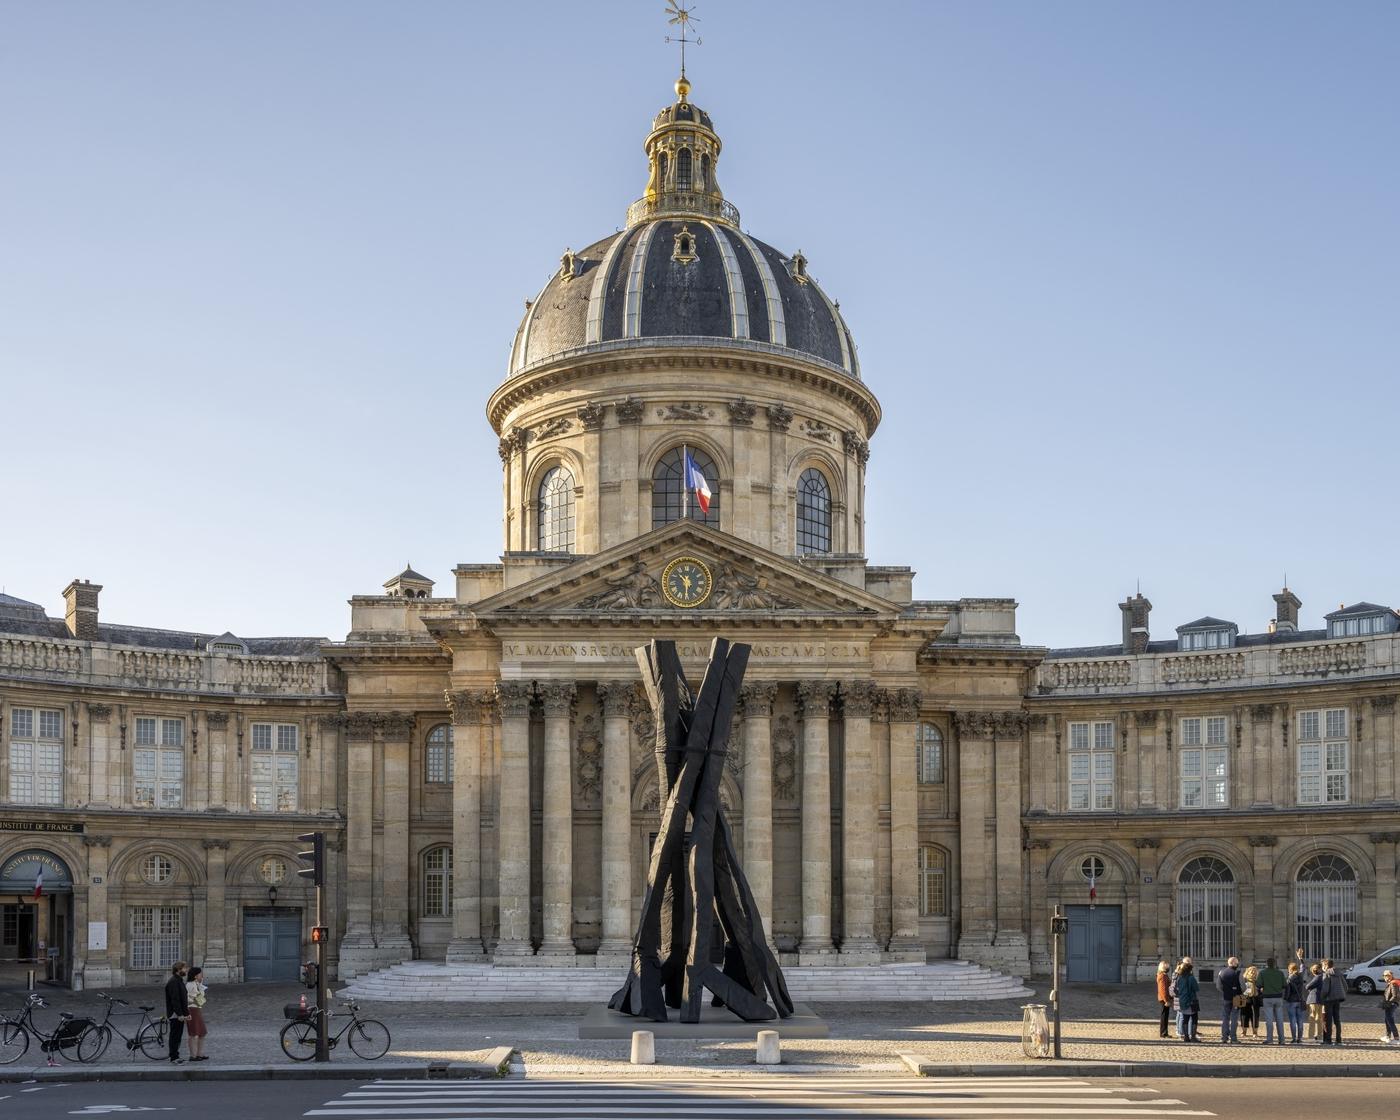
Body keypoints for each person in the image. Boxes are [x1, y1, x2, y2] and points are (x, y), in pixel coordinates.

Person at [164, 961, 190, 1063]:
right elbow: (175, 1000)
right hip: (175, 1014)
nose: (186, 970)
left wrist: (186, 1014)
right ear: (178, 969)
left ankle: (176, 1055)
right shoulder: (174, 982)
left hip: (179, 1013)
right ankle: (174, 1057)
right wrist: (179, 1014)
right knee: (175, 1036)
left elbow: (183, 999)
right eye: (184, 968)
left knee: (178, 1036)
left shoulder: (179, 980)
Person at [1258, 957, 1286, 1045]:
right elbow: (1285, 985)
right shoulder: (1280, 973)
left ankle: (1270, 1039)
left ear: (1266, 964)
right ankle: (1282, 1040)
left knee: (1269, 1020)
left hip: (1267, 998)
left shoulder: (1262, 973)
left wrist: (1263, 988)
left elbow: (1258, 984)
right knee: (1280, 1020)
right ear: (1275, 964)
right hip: (1278, 998)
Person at [1216, 955, 1243, 1043]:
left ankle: (1224, 1037)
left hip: (1226, 997)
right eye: (1237, 963)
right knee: (1234, 1018)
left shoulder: (1221, 972)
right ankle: (1233, 1038)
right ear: (1234, 963)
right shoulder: (1237, 973)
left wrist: (1225, 992)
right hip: (1236, 997)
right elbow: (1242, 987)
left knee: (1225, 1018)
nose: (1238, 964)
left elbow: (1218, 986)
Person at [185, 965, 209, 1061]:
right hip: (192, 1009)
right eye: (200, 974)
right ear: (195, 975)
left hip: (197, 1009)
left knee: (202, 1032)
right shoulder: (190, 985)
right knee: (193, 1033)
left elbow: (201, 995)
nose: (202, 975)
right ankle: (193, 1055)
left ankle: (200, 1053)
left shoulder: (197, 983)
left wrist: (200, 983)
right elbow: (188, 998)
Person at [1321, 958, 1345, 1045]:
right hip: (1337, 999)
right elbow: (1345, 985)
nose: (1322, 967)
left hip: (1329, 999)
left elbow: (1325, 989)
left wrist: (1322, 998)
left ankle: (1328, 1040)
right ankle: (1338, 1040)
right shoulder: (1339, 973)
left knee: (1328, 1020)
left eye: (1323, 965)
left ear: (1326, 966)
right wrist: (1341, 994)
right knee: (1337, 1020)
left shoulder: (1326, 974)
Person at [1174, 961, 1199, 1044]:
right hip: (1191, 1000)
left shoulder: (1179, 977)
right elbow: (1196, 988)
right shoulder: (1191, 978)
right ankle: (1193, 1036)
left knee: (1185, 1018)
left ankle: (1186, 1037)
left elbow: (1176, 988)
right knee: (1194, 1018)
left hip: (1182, 1000)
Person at [1284, 961, 1307, 1043]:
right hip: (1300, 1000)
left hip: (1291, 1001)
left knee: (1292, 1021)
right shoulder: (1300, 976)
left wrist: (1285, 998)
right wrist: (1300, 958)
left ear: (1290, 969)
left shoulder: (1289, 979)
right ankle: (1300, 1038)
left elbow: (1287, 991)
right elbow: (1303, 967)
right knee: (1300, 1020)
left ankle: (1294, 1038)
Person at [1305, 962, 1326, 1040]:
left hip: (1314, 999)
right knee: (1319, 1018)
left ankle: (1311, 1036)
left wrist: (1309, 986)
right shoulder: (1323, 976)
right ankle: (1320, 1035)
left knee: (1312, 1018)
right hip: (1321, 999)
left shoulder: (1317, 977)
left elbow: (1308, 986)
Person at [1239, 965, 1260, 1037]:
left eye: (1255, 971)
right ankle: (1244, 1031)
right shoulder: (1244, 979)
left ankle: (1255, 1032)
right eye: (1252, 971)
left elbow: (1261, 988)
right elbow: (1241, 988)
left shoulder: (1258, 979)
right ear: (1248, 972)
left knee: (1255, 1015)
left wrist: (1258, 990)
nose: (1253, 973)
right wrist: (1247, 990)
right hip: (1245, 997)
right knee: (1244, 1015)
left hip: (1255, 998)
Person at [1381, 969, 1400, 1044]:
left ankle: (1396, 1038)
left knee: (1390, 1020)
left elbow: (1395, 996)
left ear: (1389, 976)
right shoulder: (1391, 983)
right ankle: (1387, 1036)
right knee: (1387, 1020)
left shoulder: (1393, 984)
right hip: (1390, 1004)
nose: (1384, 977)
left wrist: (1388, 1002)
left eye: (1385, 976)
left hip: (1391, 1004)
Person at [1156, 961, 1172, 1038]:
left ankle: (1165, 1032)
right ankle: (1163, 1032)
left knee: (1165, 1016)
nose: (1168, 968)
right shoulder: (1162, 976)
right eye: (1167, 966)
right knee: (1164, 1016)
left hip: (1165, 998)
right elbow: (1163, 990)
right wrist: (1166, 1000)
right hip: (1164, 999)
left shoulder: (1164, 975)